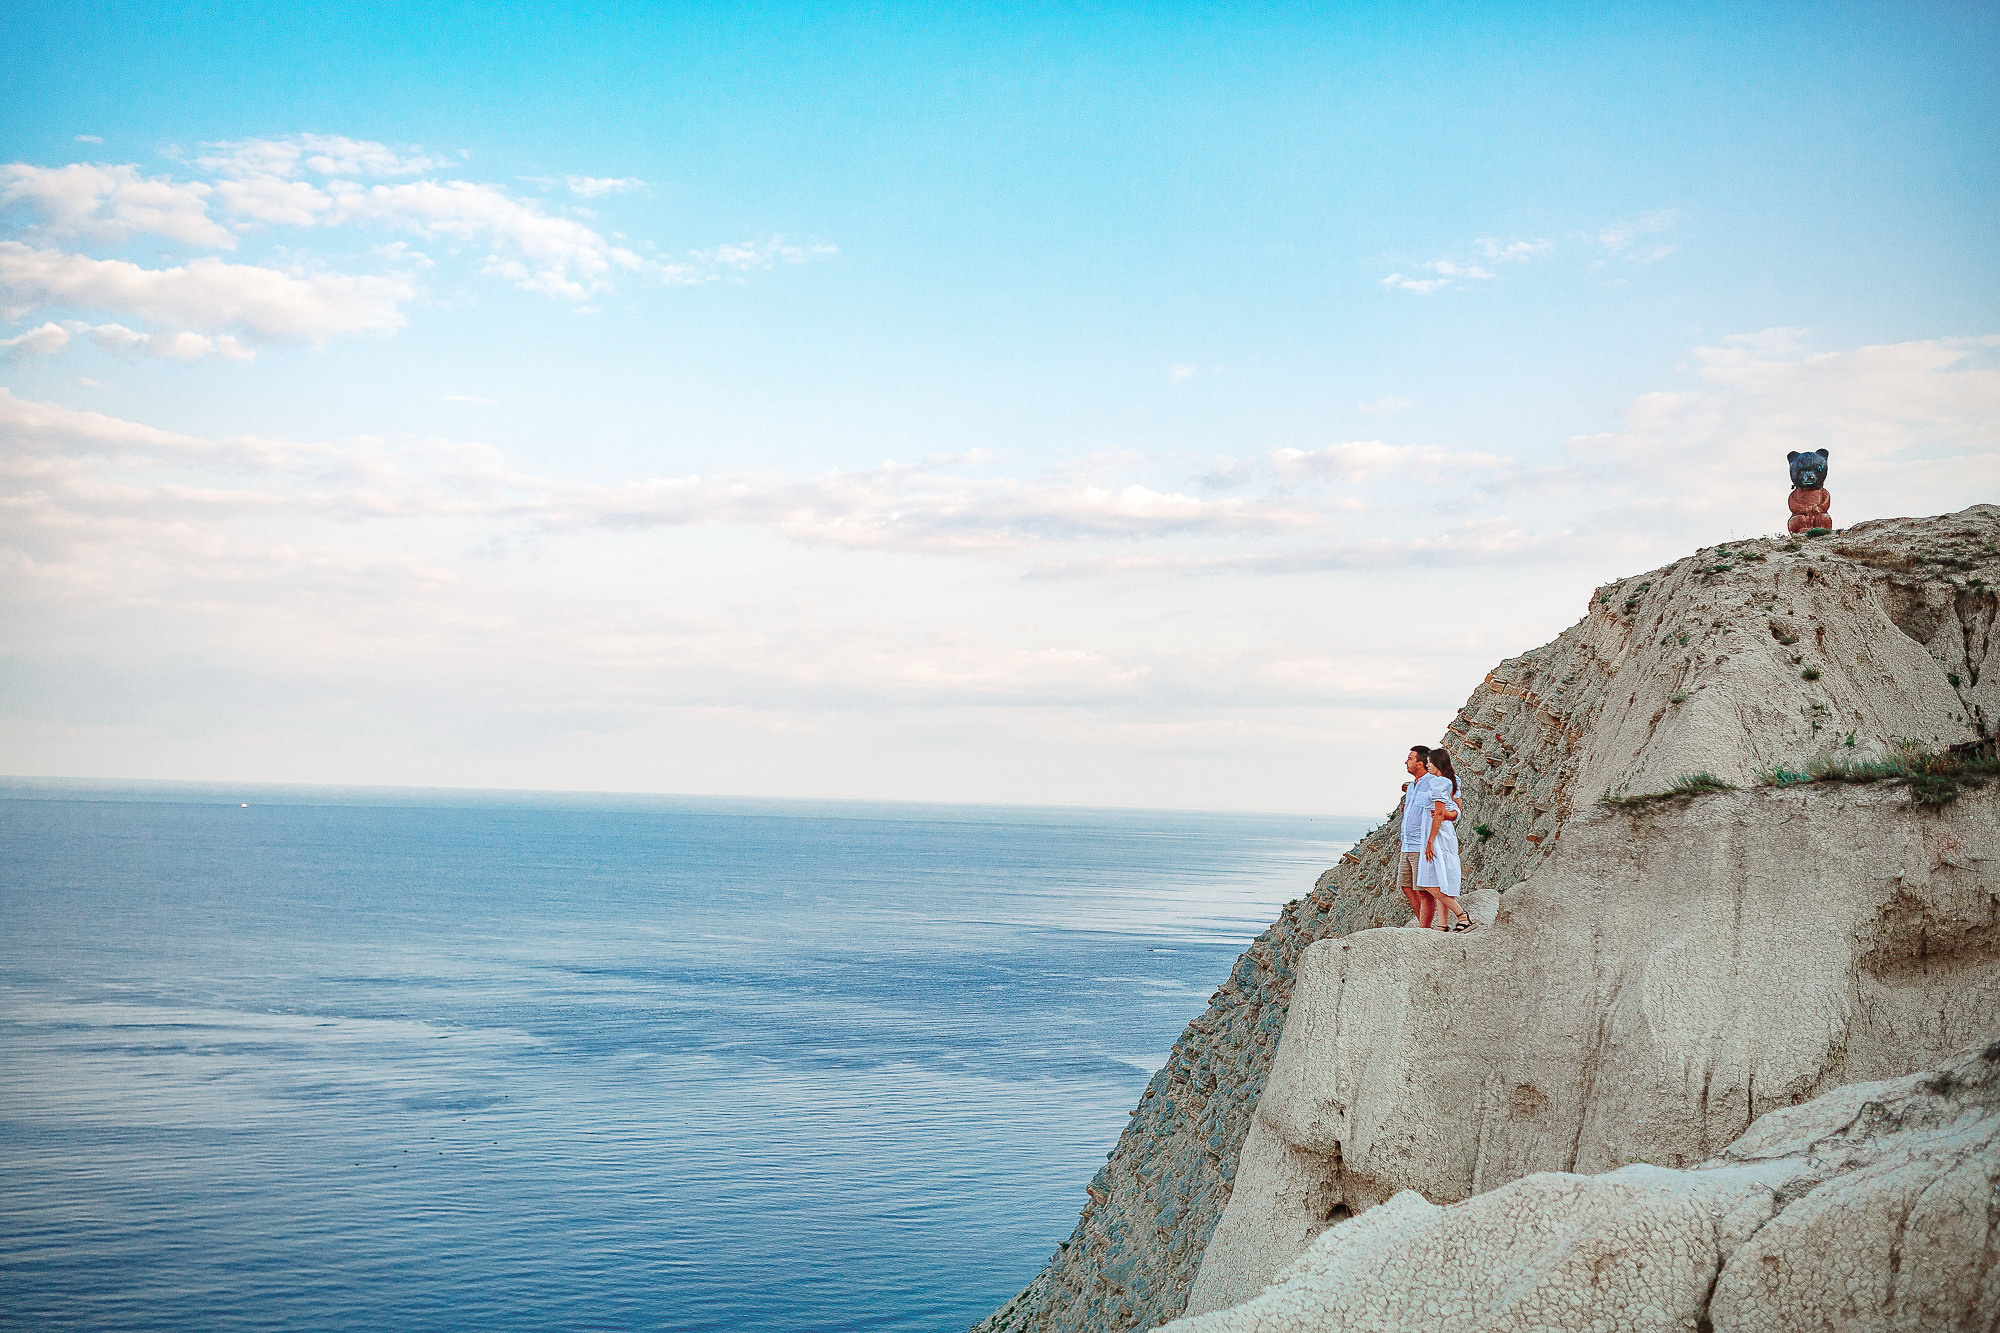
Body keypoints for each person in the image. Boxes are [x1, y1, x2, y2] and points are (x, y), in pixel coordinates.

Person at [1418, 749, 1472, 932]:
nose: (1427, 765)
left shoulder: (1440, 782)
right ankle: (1442, 925)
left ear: (1438, 763)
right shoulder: (1446, 781)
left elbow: (1441, 813)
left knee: (1427, 881)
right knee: (1441, 879)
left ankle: (1462, 914)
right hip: (1443, 832)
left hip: (1438, 834)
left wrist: (1430, 841)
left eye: (1430, 762)